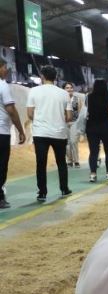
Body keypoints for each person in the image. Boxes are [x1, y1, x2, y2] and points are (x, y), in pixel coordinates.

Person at [26, 65, 72, 202]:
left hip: (40, 133)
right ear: (55, 77)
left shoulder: (33, 91)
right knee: (61, 162)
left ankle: (42, 193)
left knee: (41, 163)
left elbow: (29, 114)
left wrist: (41, 120)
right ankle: (64, 189)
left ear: (42, 77)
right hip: (59, 133)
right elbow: (69, 117)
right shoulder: (64, 93)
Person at [0, 57, 26, 210]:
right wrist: (20, 130)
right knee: (2, 166)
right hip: (1, 132)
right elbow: (11, 110)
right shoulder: (3, 86)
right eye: (4, 67)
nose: (6, 71)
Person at [84, 79, 108, 183]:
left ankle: (93, 174)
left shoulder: (88, 98)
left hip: (91, 127)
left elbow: (85, 112)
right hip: (106, 128)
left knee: (93, 152)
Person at [64, 82, 83, 168]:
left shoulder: (77, 99)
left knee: (74, 142)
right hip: (64, 123)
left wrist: (79, 125)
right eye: (67, 88)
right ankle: (69, 160)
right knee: (67, 143)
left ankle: (76, 161)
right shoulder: (62, 99)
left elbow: (80, 112)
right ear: (64, 89)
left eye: (71, 87)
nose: (69, 89)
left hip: (74, 122)